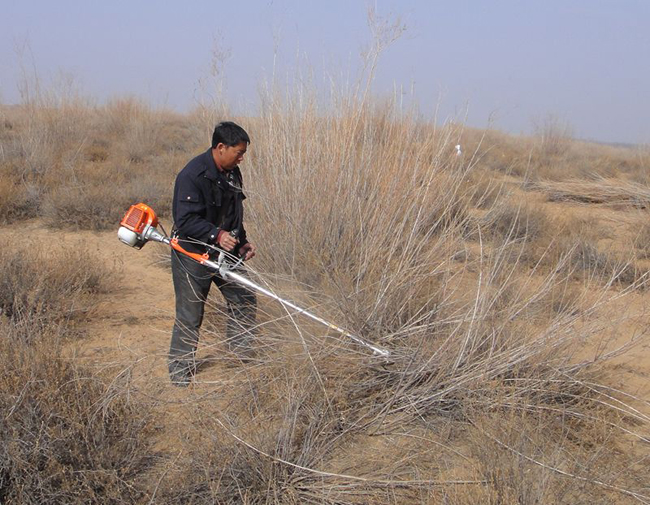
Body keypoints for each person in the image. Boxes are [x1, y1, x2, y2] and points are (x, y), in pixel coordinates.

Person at [168, 121, 257, 386]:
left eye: (243, 153)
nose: (242, 158)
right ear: (220, 147)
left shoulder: (233, 173)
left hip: (223, 252)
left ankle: (239, 356)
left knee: (244, 296)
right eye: (238, 152)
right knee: (190, 313)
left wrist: (240, 241)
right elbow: (185, 221)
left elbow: (233, 214)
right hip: (191, 253)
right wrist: (216, 235)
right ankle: (179, 372)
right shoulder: (191, 176)